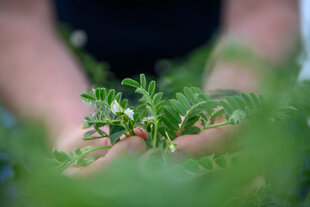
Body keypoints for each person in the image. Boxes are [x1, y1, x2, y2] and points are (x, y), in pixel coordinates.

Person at [0, 0, 299, 175]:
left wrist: (229, 107)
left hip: (211, 69)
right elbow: (14, 15)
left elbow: (264, 9)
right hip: (56, 77)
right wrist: (70, 131)